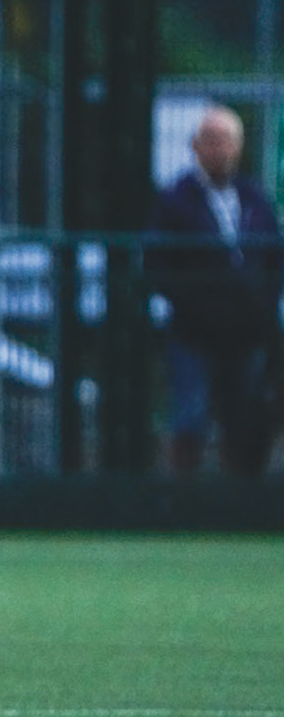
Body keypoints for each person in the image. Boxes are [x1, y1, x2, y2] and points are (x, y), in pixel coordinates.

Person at [146, 104, 283, 476]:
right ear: (195, 146)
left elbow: (272, 257)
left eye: (225, 141)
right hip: (195, 332)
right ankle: (180, 499)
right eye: (210, 140)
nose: (218, 149)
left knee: (245, 418)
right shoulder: (175, 200)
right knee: (190, 416)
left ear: (238, 147)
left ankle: (237, 498)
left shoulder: (254, 197)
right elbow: (157, 264)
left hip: (247, 332)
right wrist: (197, 304)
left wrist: (262, 307)